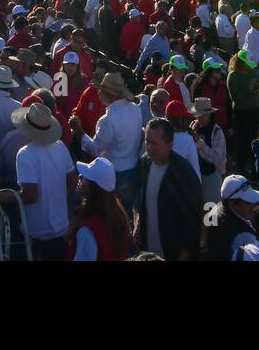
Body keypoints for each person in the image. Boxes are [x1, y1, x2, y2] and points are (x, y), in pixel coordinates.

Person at [8, 101, 77, 260]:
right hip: (61, 226)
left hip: (37, 231)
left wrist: (7, 196)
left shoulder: (25, 154)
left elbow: (31, 196)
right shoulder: (60, 146)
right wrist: (59, 198)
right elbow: (73, 179)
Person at [73, 72, 144, 215]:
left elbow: (95, 149)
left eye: (102, 90)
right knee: (126, 214)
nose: (98, 93)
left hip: (114, 174)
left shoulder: (108, 119)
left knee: (110, 214)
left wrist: (78, 130)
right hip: (132, 170)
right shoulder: (135, 109)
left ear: (110, 94)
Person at [133, 118, 203, 260]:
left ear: (170, 144)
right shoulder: (144, 163)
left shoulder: (183, 173)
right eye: (147, 141)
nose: (149, 147)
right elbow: (143, 199)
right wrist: (139, 224)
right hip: (150, 249)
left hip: (173, 251)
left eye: (154, 143)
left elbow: (194, 216)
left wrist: (186, 252)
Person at [68, 157, 132, 261]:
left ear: (92, 188)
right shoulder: (119, 217)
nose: (80, 177)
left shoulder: (88, 230)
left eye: (85, 178)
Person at [204, 173, 259, 260]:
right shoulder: (245, 237)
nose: (253, 205)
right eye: (247, 202)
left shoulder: (217, 208)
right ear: (232, 204)